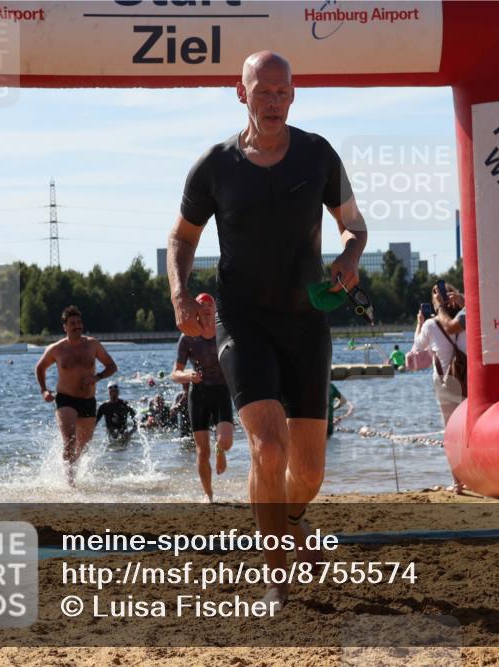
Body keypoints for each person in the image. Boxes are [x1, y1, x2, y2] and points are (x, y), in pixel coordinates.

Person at [166, 51, 367, 607]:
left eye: (282, 91)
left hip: (306, 321)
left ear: (293, 94)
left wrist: (350, 256)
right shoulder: (216, 165)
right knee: (269, 449)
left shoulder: (317, 154)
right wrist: (180, 293)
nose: (273, 101)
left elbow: (355, 225)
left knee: (307, 471)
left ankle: (291, 521)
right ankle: (275, 571)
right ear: (241, 93)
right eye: (262, 91)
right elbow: (181, 238)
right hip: (242, 320)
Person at [35, 306, 118, 485]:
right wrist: (44, 390)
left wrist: (97, 377)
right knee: (70, 442)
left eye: (79, 323)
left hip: (88, 401)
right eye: (73, 324)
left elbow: (112, 366)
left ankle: (72, 470)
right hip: (66, 399)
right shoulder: (56, 349)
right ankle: (69, 483)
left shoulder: (92, 345)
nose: (77, 326)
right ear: (65, 327)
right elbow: (40, 368)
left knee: (82, 446)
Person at [170, 294, 235, 502]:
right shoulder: (188, 336)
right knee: (201, 451)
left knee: (225, 440)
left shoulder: (225, 332)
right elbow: (175, 373)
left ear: (216, 308)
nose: (206, 308)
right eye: (202, 305)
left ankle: (220, 450)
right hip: (198, 394)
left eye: (210, 304)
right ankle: (208, 494)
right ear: (196, 310)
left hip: (222, 391)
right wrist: (189, 376)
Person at [413, 283, 467, 494]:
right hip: (470, 380)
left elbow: (417, 349)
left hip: (446, 383)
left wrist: (419, 323)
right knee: (469, 430)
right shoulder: (468, 316)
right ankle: (475, 476)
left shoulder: (429, 325)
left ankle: (458, 482)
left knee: (451, 433)